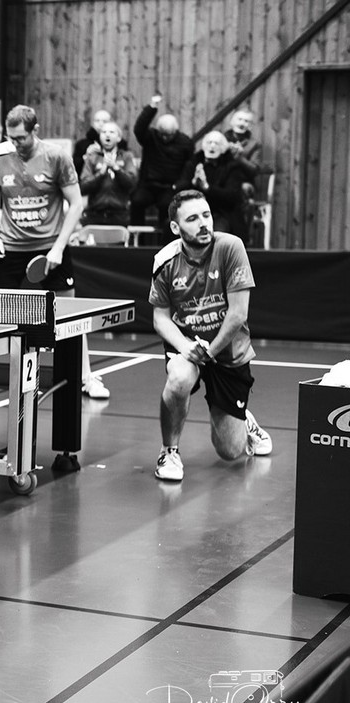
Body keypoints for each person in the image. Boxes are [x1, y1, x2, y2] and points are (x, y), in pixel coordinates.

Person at [0, 104, 110, 399]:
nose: (16, 143)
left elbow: (76, 204)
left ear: (36, 131)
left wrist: (58, 248)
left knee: (70, 316)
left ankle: (86, 377)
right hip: (10, 247)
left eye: (21, 138)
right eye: (11, 138)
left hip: (50, 248)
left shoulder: (56, 156)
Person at [149, 189, 272, 482]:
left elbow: (238, 314)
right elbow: (160, 318)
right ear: (176, 227)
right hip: (187, 345)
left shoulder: (231, 247)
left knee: (230, 451)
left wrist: (210, 352)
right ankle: (169, 451)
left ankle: (245, 422)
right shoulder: (165, 260)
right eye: (192, 218)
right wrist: (185, 347)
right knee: (179, 377)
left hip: (228, 351)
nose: (203, 223)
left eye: (206, 215)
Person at [130, 95, 193, 238]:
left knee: (167, 206)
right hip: (148, 185)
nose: (165, 138)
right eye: (162, 134)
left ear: (175, 132)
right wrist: (152, 107)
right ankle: (138, 242)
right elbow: (139, 129)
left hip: (170, 187)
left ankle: (166, 242)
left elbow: (188, 167)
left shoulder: (185, 142)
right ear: (158, 131)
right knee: (137, 201)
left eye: (168, 135)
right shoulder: (151, 137)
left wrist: (178, 185)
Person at [174, 131, 251, 242]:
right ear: (204, 146)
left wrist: (207, 188)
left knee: (217, 234)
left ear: (223, 149)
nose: (212, 146)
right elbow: (178, 189)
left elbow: (232, 196)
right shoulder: (193, 163)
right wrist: (193, 183)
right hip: (193, 211)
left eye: (216, 143)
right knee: (173, 229)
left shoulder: (232, 166)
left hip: (221, 213)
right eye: (209, 142)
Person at [79, 121, 138, 226]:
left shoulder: (126, 157)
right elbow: (83, 187)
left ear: (119, 138)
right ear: (100, 137)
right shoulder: (92, 158)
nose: (107, 135)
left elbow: (132, 184)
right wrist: (100, 174)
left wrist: (116, 168)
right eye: (104, 132)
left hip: (120, 215)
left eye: (111, 132)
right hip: (94, 214)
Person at [72, 109, 128, 177]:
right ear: (93, 123)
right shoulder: (81, 144)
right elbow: (74, 170)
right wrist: (86, 156)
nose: (100, 124)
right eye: (97, 121)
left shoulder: (120, 144)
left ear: (110, 123)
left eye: (104, 121)